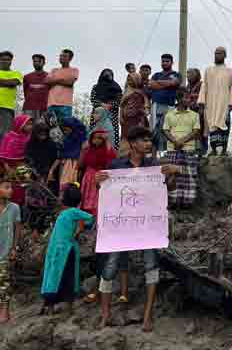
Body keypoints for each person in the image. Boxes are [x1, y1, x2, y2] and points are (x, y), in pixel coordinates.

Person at [95, 126, 178, 331]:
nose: (148, 143)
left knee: (151, 265)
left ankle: (148, 316)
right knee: (110, 267)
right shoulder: (116, 165)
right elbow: (105, 192)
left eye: (150, 140)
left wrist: (173, 175)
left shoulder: (153, 166)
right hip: (120, 227)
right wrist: (99, 181)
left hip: (147, 226)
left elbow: (167, 189)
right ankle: (105, 314)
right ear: (132, 144)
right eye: (144, 140)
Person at [40, 183, 94, 315]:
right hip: (65, 249)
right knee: (67, 276)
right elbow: (89, 219)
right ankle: (67, 306)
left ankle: (52, 307)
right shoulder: (70, 212)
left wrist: (79, 228)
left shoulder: (69, 212)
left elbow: (90, 218)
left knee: (56, 276)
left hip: (61, 250)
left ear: (65, 199)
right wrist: (79, 229)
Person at [163, 88, 201, 209]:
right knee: (173, 176)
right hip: (172, 150)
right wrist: (175, 141)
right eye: (186, 98)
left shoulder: (194, 115)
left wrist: (182, 141)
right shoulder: (169, 115)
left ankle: (187, 204)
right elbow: (165, 130)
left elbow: (196, 131)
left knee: (189, 177)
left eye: (189, 98)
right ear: (179, 99)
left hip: (189, 150)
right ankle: (173, 203)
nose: (189, 100)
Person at [199, 47, 232, 156]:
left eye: (219, 53)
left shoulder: (229, 71)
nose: (217, 55)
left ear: (225, 55)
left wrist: (231, 103)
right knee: (212, 124)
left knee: (225, 124)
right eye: (215, 53)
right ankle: (213, 150)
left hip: (224, 103)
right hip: (211, 103)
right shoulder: (208, 70)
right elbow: (204, 86)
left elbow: (231, 88)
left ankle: (224, 150)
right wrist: (202, 102)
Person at [148, 54, 181, 156]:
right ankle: (153, 157)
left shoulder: (176, 74)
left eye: (167, 61)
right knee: (154, 131)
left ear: (172, 62)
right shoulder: (156, 74)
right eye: (163, 61)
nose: (165, 63)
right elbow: (151, 84)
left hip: (169, 106)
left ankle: (164, 156)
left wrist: (158, 83)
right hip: (155, 106)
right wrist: (167, 83)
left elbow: (174, 83)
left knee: (166, 131)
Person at [0, 174, 21, 323]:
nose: (10, 190)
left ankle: (5, 310)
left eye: (11, 187)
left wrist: (15, 247)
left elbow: (17, 228)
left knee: (4, 282)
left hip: (6, 251)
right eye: (6, 187)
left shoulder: (14, 208)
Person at [79, 130, 116, 217]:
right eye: (94, 138)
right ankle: (86, 219)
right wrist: (82, 151)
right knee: (86, 199)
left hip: (101, 177)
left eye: (99, 138)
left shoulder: (107, 149)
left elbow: (112, 161)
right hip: (88, 178)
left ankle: (96, 218)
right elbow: (80, 164)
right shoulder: (88, 150)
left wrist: (107, 141)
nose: (96, 140)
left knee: (98, 200)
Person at [48, 117, 86, 196]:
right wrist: (51, 170)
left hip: (76, 167)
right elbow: (60, 157)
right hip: (65, 168)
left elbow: (83, 156)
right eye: (63, 130)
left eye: (67, 129)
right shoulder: (66, 140)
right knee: (64, 189)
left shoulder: (82, 142)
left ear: (73, 128)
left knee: (74, 189)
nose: (65, 132)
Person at [89, 69, 122, 150]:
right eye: (105, 74)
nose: (107, 76)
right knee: (95, 134)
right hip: (98, 113)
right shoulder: (96, 87)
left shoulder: (117, 88)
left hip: (112, 114)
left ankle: (112, 155)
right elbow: (92, 99)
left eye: (109, 74)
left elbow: (120, 101)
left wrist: (110, 105)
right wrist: (102, 104)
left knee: (112, 135)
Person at [119, 73, 150, 156]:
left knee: (137, 137)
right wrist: (121, 116)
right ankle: (125, 156)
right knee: (126, 138)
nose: (129, 81)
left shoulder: (141, 92)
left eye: (131, 79)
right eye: (128, 80)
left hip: (137, 120)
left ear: (137, 80)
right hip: (126, 121)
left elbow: (146, 105)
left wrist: (145, 111)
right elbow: (122, 106)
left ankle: (138, 155)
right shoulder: (126, 92)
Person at [46, 49, 79, 122]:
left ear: (70, 58)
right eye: (60, 56)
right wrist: (62, 80)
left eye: (64, 56)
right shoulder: (54, 70)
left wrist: (55, 80)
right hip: (51, 103)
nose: (61, 58)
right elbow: (46, 81)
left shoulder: (74, 70)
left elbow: (70, 82)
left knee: (65, 127)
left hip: (65, 105)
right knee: (50, 127)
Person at [0, 51, 22, 140]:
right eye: (3, 59)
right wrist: (7, 82)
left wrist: (7, 82)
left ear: (11, 61)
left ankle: (3, 153)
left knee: (6, 133)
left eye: (7, 59)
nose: (5, 61)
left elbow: (14, 83)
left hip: (7, 107)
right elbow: (10, 83)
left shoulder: (16, 73)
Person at [186, 68, 207, 155]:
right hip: (189, 112)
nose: (189, 76)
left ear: (197, 75)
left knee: (201, 132)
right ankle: (191, 151)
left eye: (191, 74)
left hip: (199, 111)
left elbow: (203, 97)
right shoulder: (187, 87)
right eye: (187, 74)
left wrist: (192, 97)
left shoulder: (202, 85)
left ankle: (201, 152)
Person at [22, 54, 49, 121]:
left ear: (44, 63)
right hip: (29, 107)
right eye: (34, 61)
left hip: (44, 108)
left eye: (39, 61)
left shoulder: (49, 76)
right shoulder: (27, 77)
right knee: (28, 128)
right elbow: (25, 92)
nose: (36, 63)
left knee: (43, 129)